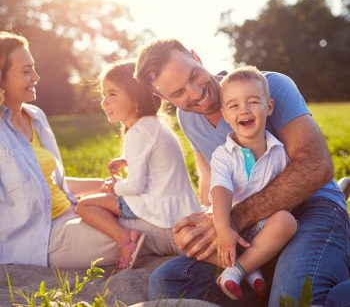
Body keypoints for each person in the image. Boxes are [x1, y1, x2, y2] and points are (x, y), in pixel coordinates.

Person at [135, 38, 350, 306]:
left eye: (194, 75)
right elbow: (212, 177)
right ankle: (273, 276)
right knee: (168, 282)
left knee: (291, 301)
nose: (195, 93)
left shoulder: (270, 86)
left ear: (197, 57)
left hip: (311, 209)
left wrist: (231, 220)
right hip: (252, 230)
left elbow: (315, 166)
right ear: (164, 99)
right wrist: (206, 225)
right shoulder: (187, 117)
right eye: (178, 94)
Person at [0, 32, 198, 269]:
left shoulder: (36, 117)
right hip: (44, 235)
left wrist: (107, 187)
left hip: (71, 211)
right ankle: (190, 237)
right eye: (25, 71)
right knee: (137, 229)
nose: (36, 76)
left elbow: (54, 184)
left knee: (136, 215)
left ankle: (193, 231)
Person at [76, 61, 201, 271]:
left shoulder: (137, 132)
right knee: (98, 200)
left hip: (158, 207)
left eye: (112, 94)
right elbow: (153, 158)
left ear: (135, 99)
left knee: (84, 205)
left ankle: (125, 239)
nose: (104, 102)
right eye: (104, 95)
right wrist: (126, 160)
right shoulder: (154, 125)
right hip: (181, 205)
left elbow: (135, 186)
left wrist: (114, 187)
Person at [210, 67, 297, 300]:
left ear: (269, 106)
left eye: (252, 102)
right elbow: (220, 190)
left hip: (262, 228)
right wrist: (223, 228)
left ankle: (236, 270)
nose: (244, 110)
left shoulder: (279, 151)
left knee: (287, 221)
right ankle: (251, 268)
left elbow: (286, 195)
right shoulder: (223, 154)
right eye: (234, 106)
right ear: (225, 115)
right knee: (191, 235)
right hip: (230, 226)